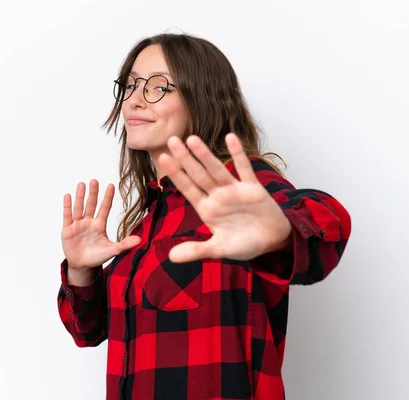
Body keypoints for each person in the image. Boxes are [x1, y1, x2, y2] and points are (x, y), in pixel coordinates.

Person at [57, 33, 351, 400]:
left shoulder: (236, 190)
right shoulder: (148, 222)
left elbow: (326, 225)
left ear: (202, 99)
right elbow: (89, 331)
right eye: (131, 84)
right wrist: (81, 272)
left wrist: (280, 232)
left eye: (159, 86)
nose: (134, 98)